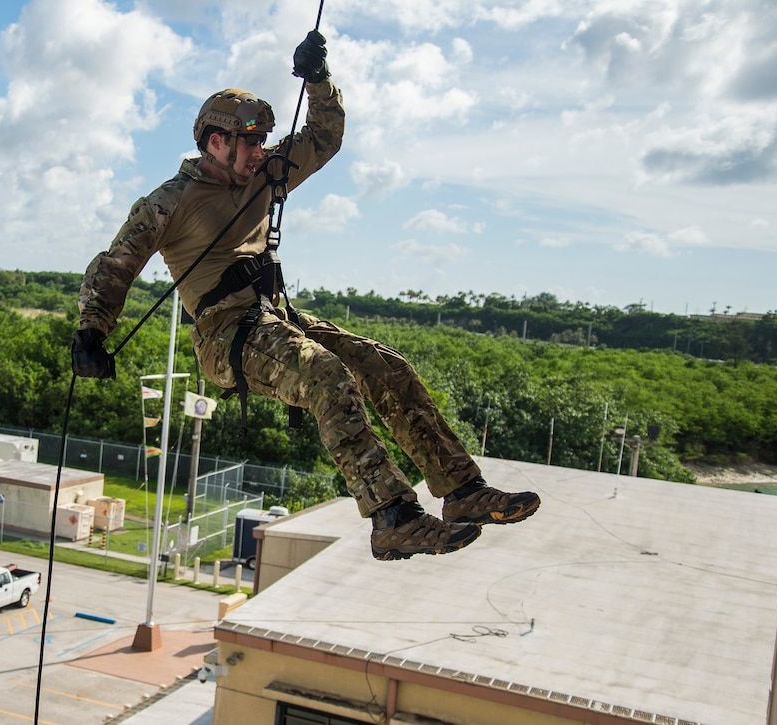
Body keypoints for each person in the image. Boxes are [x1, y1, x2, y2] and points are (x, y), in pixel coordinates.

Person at [72, 31, 540, 561]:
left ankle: (461, 491)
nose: (259, 151)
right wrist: (92, 330)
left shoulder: (265, 173)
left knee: (387, 368)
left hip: (275, 318)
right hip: (227, 336)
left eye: (263, 140)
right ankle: (391, 516)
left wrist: (318, 81)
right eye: (249, 141)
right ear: (214, 142)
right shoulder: (169, 203)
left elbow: (323, 136)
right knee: (326, 375)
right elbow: (116, 265)